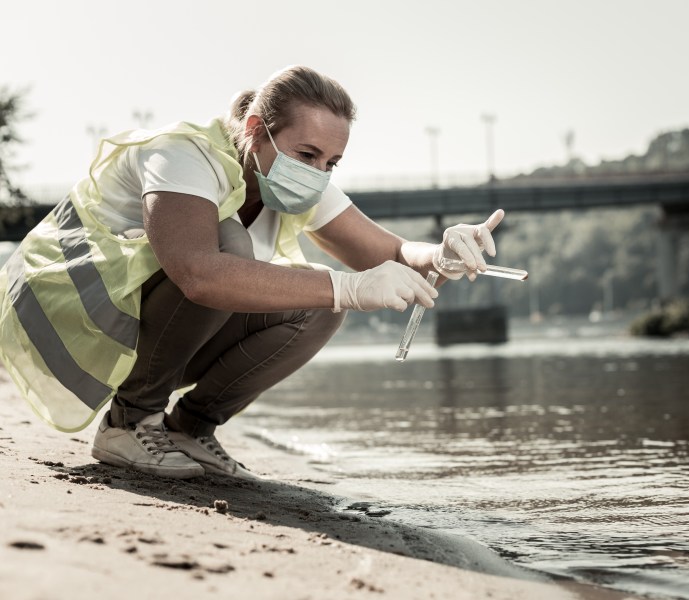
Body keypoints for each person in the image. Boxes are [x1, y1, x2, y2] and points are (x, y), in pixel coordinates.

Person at [0, 65, 505, 480]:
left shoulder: (292, 177)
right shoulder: (182, 156)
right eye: (307, 154)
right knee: (234, 249)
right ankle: (128, 422)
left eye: (332, 162)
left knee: (318, 307)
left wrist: (441, 253)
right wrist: (349, 287)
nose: (318, 172)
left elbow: (389, 252)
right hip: (68, 323)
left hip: (139, 326)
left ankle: (188, 430)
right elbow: (199, 274)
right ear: (256, 130)